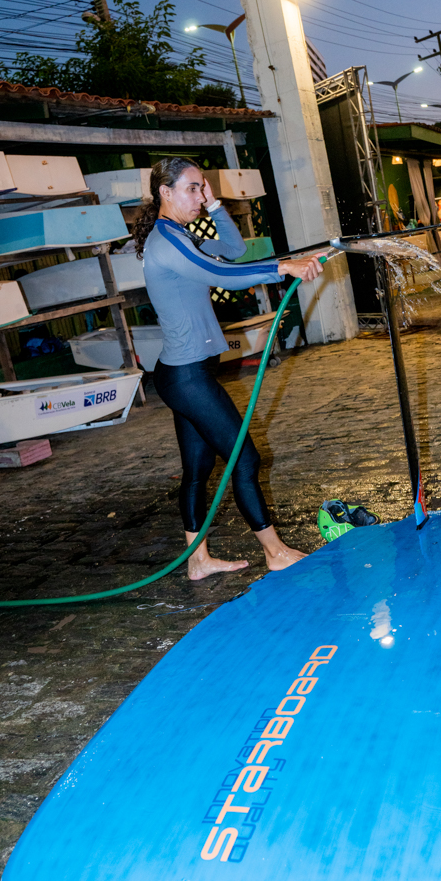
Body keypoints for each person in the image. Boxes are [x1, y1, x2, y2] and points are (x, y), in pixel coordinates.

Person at [132, 157, 324, 580]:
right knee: (244, 459)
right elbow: (220, 272)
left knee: (198, 471)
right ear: (165, 193)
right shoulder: (167, 242)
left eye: (203, 188)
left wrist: (215, 207)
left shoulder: (180, 236)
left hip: (183, 373)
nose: (201, 196)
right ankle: (275, 552)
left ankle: (197, 562)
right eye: (193, 189)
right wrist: (282, 267)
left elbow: (234, 251)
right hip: (187, 378)